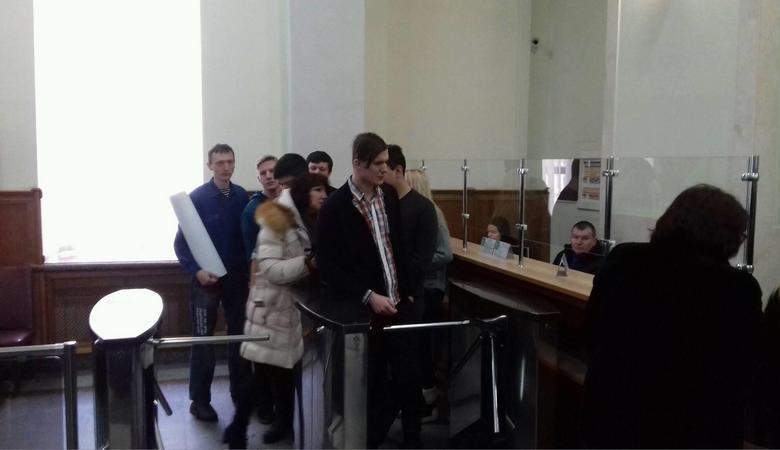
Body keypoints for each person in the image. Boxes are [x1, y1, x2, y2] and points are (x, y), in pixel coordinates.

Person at [582, 184, 763, 448]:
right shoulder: (738, 289)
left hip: (614, 415)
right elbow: (742, 372)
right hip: (695, 428)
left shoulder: (624, 259)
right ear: (728, 236)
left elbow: (592, 331)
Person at [317, 132, 420, 448]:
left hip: (398, 304)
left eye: (386, 162)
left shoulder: (388, 195)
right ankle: (369, 441)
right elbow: (329, 266)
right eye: (377, 163)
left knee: (408, 379)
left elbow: (397, 246)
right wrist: (368, 295)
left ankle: (413, 440)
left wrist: (408, 292)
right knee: (373, 384)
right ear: (357, 163)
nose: (384, 169)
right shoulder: (335, 207)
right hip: (364, 312)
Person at [223, 172, 329, 448]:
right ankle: (238, 428)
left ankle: (282, 425)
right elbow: (270, 269)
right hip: (270, 307)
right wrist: (307, 264)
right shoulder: (277, 220)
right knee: (262, 375)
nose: (323, 195)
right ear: (304, 192)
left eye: (324, 190)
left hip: (292, 309)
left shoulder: (312, 218)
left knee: (285, 373)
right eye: (317, 190)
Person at [173, 143, 249, 422]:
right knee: (203, 340)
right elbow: (180, 244)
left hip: (236, 280)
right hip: (206, 281)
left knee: (239, 336)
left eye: (230, 162)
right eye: (220, 163)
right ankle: (200, 400)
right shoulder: (197, 198)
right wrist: (196, 271)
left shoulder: (241, 196)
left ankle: (240, 392)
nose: (226, 167)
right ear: (210, 166)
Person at [405, 168, 453, 420]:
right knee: (416, 347)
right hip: (418, 287)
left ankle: (429, 397)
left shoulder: (433, 213)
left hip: (431, 288)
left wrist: (417, 262)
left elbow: (445, 253)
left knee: (423, 347)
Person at [241, 155, 281, 265]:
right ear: (259, 179)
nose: (268, 176)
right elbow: (252, 253)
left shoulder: (290, 200)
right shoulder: (252, 210)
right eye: (263, 173)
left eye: (272, 171)